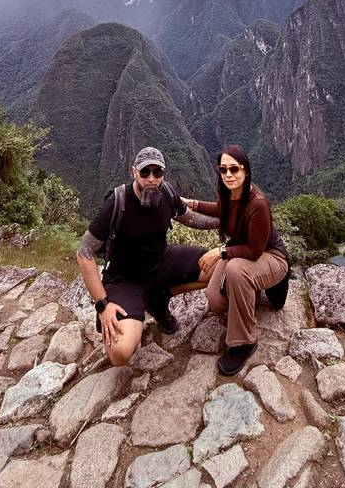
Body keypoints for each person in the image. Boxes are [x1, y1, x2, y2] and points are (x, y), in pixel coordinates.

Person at [77, 145, 219, 366]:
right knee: (120, 353)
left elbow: (192, 219)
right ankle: (148, 299)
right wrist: (102, 305)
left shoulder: (167, 193)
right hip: (125, 279)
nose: (151, 179)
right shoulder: (118, 202)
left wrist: (228, 223)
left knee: (219, 269)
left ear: (163, 173)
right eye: (145, 173)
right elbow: (84, 252)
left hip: (162, 261)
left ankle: (157, 297)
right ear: (134, 172)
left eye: (157, 173)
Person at [183, 144, 289, 375]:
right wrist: (190, 204)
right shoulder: (232, 196)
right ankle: (250, 293)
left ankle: (244, 342)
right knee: (215, 300)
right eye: (223, 170)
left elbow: (253, 252)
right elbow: (221, 210)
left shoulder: (258, 203)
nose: (228, 175)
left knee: (235, 270)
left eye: (234, 169)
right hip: (241, 253)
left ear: (245, 170)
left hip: (269, 257)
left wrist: (220, 252)